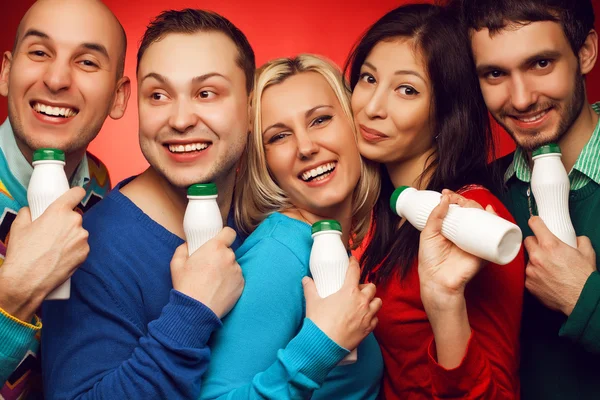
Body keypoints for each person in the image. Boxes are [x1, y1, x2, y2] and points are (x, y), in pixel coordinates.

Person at [42, 9, 382, 399]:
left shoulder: (256, 212)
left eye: (206, 93)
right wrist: (192, 310)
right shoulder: (91, 249)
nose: (181, 119)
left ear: (251, 108)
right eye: (158, 95)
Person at [344, 4, 526, 398]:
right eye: (368, 78)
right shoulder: (380, 211)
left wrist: (445, 302)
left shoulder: (472, 219)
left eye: (406, 90)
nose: (372, 107)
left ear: (446, 111)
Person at [200, 54, 383, 399]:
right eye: (279, 136)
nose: (306, 147)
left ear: (354, 124)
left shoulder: (321, 245)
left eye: (320, 120)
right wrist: (318, 347)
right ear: (263, 160)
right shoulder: (278, 254)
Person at [453, 0, 600, 398]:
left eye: (540, 64)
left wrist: (582, 298)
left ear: (585, 52)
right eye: (496, 73)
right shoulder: (479, 196)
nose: (520, 100)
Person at [0, 0, 130, 397]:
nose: (56, 79)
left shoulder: (104, 191)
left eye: (87, 62)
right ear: (6, 72)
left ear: (118, 97)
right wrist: (13, 298)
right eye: (39, 53)